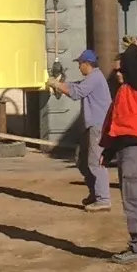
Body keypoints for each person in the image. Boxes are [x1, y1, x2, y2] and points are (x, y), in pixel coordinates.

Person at [103, 46, 137, 264]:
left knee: (135, 201)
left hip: (135, 152)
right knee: (131, 200)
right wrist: (108, 152)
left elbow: (132, 62)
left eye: (120, 69)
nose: (117, 74)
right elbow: (116, 126)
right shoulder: (123, 93)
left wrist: (133, 46)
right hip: (127, 151)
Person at [48, 47, 113, 210]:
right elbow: (76, 86)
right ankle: (95, 193)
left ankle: (103, 199)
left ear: (87, 64)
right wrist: (61, 85)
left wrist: (57, 84)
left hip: (98, 126)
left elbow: (77, 93)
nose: (79, 67)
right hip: (91, 126)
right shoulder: (93, 78)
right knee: (83, 162)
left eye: (80, 64)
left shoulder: (95, 77)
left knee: (95, 162)